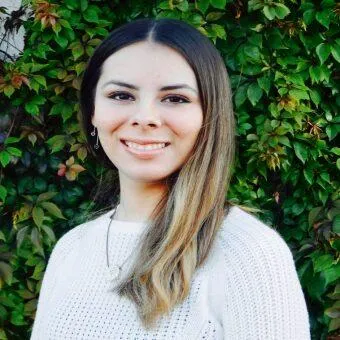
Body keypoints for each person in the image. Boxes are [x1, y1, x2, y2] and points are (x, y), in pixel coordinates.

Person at [30, 18, 310, 339]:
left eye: (175, 99)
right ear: (93, 111)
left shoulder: (247, 254)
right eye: (121, 95)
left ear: (208, 116)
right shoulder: (71, 249)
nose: (145, 117)